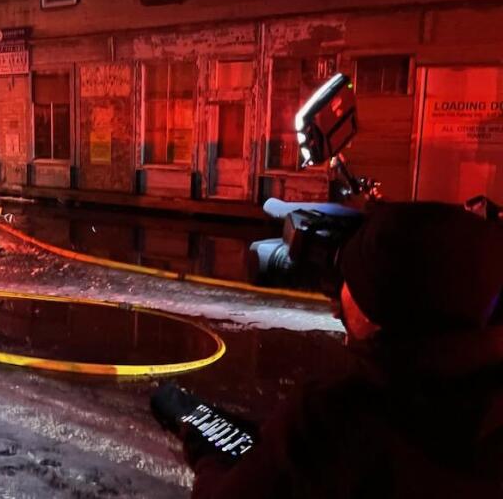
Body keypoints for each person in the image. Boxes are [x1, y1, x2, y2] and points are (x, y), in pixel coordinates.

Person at [156, 202, 503, 498]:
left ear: (384, 305)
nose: (338, 306)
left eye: (351, 283)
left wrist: (206, 453)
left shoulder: (334, 415)